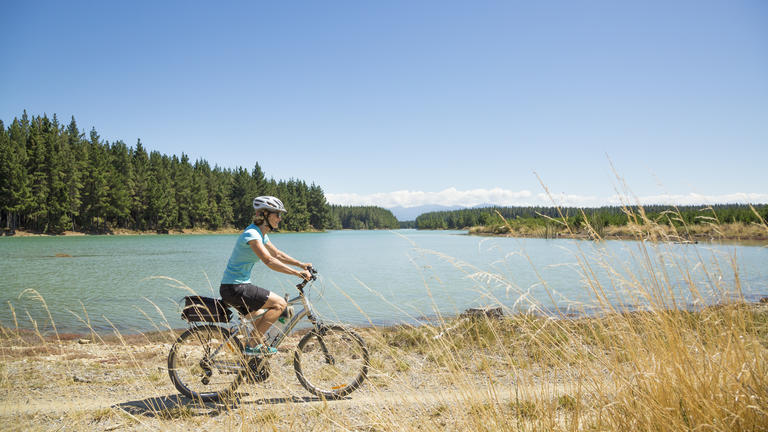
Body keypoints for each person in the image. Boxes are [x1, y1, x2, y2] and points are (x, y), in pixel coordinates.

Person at [220, 195, 312, 356]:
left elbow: (277, 254)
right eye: (277, 214)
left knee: (262, 319)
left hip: (235, 287)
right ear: (264, 215)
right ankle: (252, 346)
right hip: (236, 287)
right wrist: (297, 273)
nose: (280, 218)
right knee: (280, 304)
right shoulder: (252, 235)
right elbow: (269, 260)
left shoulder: (261, 234)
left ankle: (251, 362)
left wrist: (300, 264)